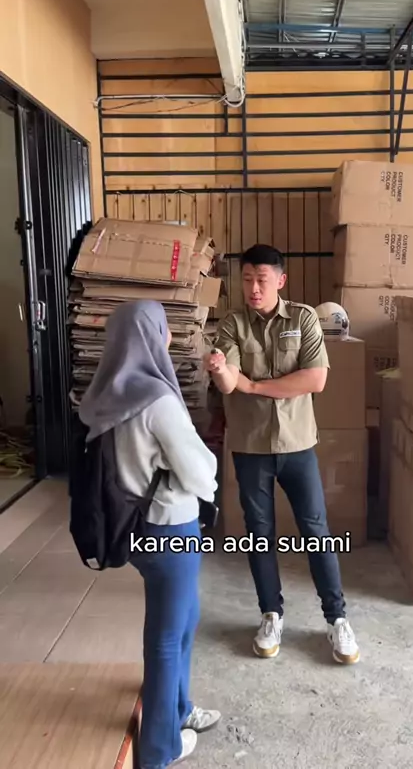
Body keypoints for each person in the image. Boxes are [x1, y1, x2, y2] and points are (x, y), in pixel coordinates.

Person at [79, 300, 220, 769]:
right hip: (171, 531)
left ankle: (179, 709)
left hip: (134, 529)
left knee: (182, 619)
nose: (169, 338)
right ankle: (160, 749)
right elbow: (201, 474)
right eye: (163, 329)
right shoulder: (157, 401)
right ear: (150, 337)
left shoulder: (104, 394)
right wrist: (208, 467)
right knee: (166, 638)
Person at [204, 244, 359, 665]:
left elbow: (315, 379)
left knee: (316, 530)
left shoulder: (304, 319)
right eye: (247, 280)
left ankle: (337, 618)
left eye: (262, 280)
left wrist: (253, 386)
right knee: (259, 532)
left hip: (297, 445)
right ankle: (270, 614)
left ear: (280, 281)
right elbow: (229, 382)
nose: (253, 288)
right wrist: (220, 369)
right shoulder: (233, 324)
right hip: (250, 446)